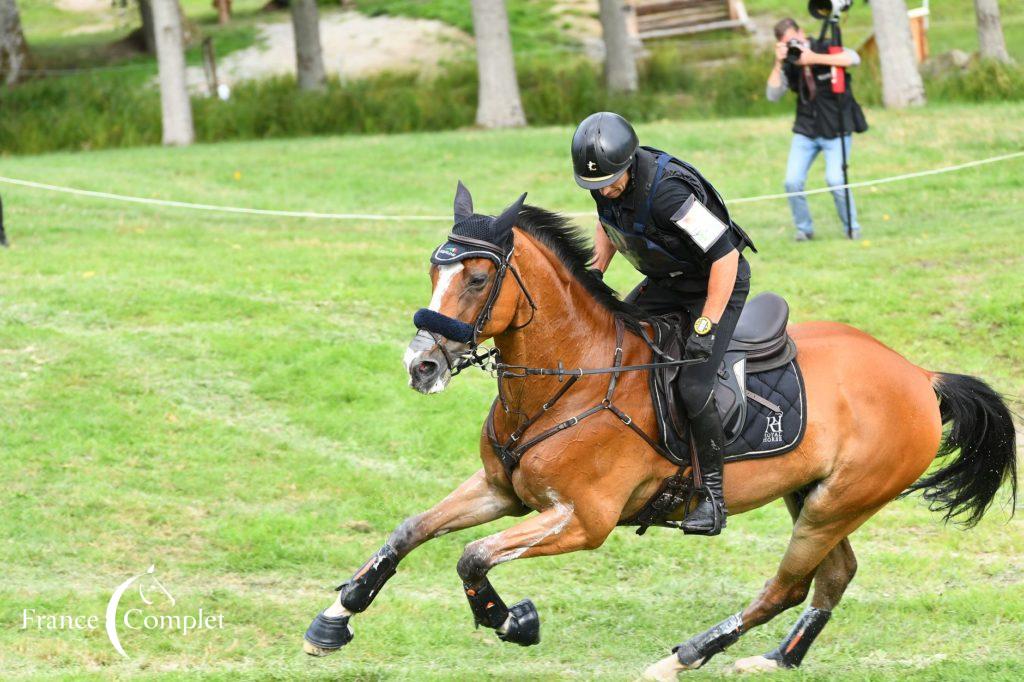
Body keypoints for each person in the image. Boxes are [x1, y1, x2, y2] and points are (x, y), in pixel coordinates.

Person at [572, 112, 756, 536]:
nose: (604, 190)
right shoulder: (606, 183)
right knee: (618, 344)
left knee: (693, 385)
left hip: (715, 284)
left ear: (630, 161)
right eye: (594, 186)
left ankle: (712, 496)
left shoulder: (669, 193)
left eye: (610, 181)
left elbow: (725, 257)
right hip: (667, 282)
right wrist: (595, 271)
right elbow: (608, 221)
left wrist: (706, 326)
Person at [767, 17, 868, 241]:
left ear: (802, 33)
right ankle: (804, 229)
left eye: (794, 39)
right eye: (786, 43)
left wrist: (813, 58)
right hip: (806, 130)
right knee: (792, 181)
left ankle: (852, 227)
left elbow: (853, 58)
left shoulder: (825, 45)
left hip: (836, 128)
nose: (793, 45)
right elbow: (772, 95)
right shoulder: (788, 62)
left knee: (835, 180)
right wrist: (778, 62)